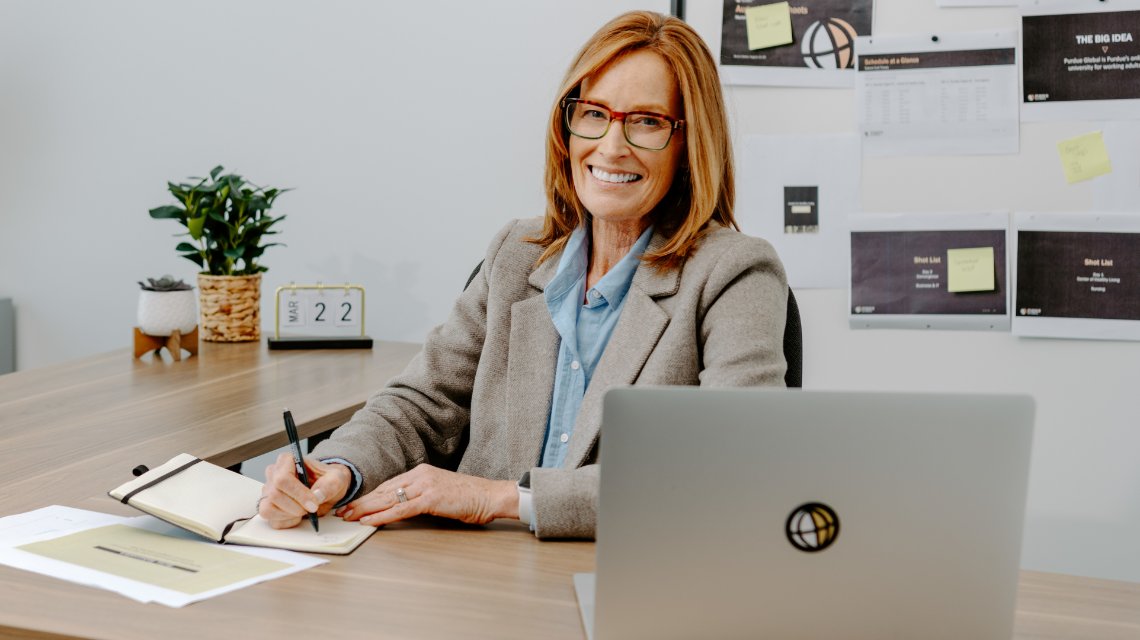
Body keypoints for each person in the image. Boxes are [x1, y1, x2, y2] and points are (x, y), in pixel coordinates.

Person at [258, 10, 788, 540]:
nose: (610, 146)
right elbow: (422, 404)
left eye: (647, 121)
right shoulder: (517, 253)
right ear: (568, 126)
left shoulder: (734, 274)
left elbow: (733, 468)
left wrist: (502, 498)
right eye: (594, 114)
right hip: (475, 578)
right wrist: (336, 470)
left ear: (690, 146)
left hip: (621, 580)